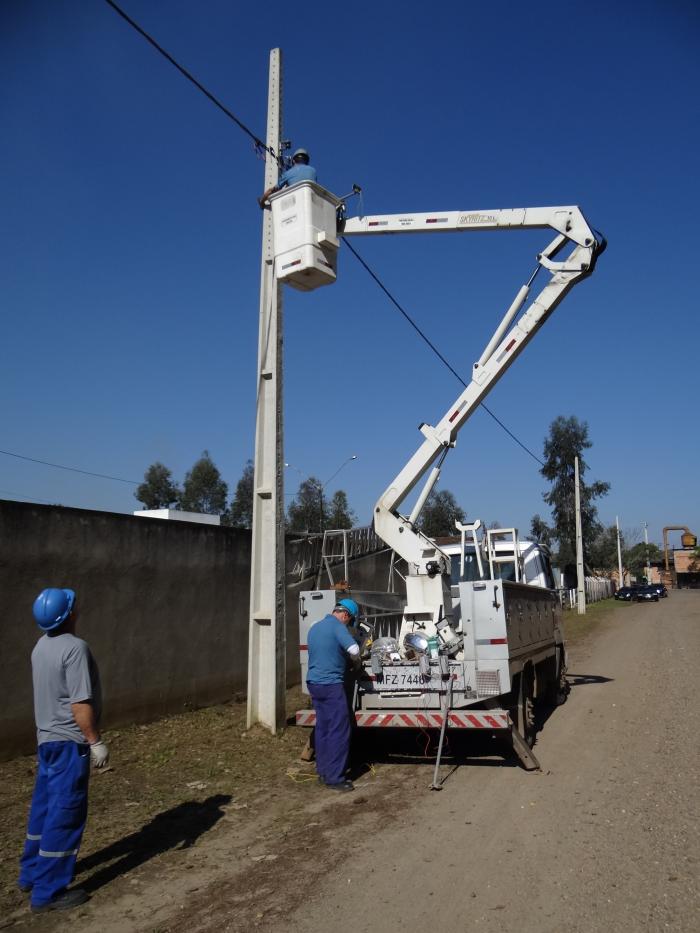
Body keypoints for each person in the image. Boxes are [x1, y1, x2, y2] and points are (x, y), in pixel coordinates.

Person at [18, 587, 108, 913]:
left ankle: (30, 874)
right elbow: (79, 704)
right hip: (70, 743)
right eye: (74, 606)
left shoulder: (40, 647)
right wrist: (95, 742)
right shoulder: (75, 649)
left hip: (46, 742)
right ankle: (48, 893)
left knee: (43, 810)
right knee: (65, 814)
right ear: (69, 613)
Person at [306, 597, 361, 792]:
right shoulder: (338, 627)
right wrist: (356, 656)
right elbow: (353, 649)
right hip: (331, 685)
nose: (348, 623)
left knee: (323, 728)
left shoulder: (315, 627)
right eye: (350, 620)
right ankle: (336, 778)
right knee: (339, 729)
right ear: (345, 615)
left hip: (313, 683)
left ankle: (323, 772)